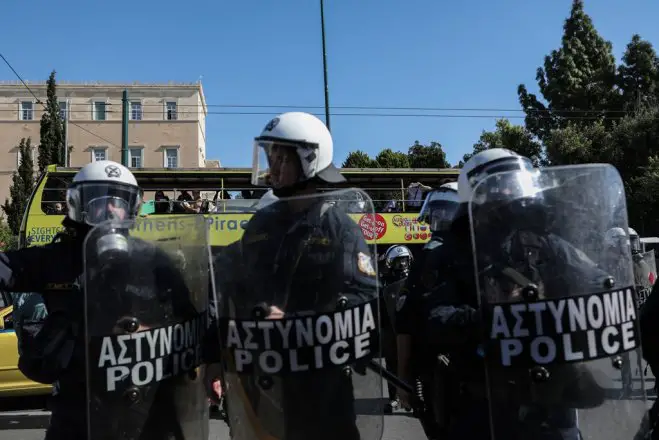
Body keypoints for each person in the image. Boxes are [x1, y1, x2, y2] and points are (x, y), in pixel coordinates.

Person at [415, 148, 620, 440]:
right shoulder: (452, 252)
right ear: (478, 192)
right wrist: (493, 316)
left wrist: (580, 304)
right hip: (484, 398)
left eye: (516, 181)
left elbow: (599, 281)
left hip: (549, 391)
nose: (513, 190)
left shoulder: (544, 243)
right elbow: (436, 320)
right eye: (504, 182)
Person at [3, 160, 209, 440]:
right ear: (79, 204)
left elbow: (189, 319)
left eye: (119, 200)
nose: (111, 208)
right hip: (77, 406)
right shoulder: (56, 258)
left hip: (141, 400)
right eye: (99, 199)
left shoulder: (154, 261)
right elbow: (7, 267)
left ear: (132, 208)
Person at [213, 111, 380, 440]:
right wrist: (213, 356)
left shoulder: (340, 231)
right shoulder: (262, 224)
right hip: (265, 382)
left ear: (310, 161)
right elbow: (232, 289)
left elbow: (366, 309)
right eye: (270, 157)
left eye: (281, 159)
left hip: (322, 388)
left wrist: (296, 320)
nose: (272, 168)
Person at [378, 244, 413, 413]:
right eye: (399, 262)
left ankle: (416, 396)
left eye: (405, 261)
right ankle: (394, 398)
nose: (403, 266)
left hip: (408, 326)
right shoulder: (384, 283)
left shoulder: (415, 281)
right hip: (390, 327)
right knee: (391, 361)